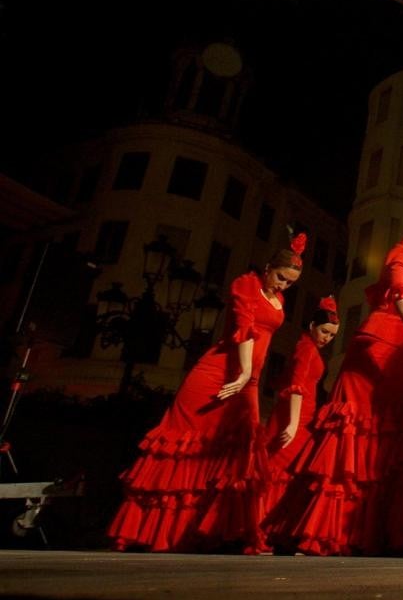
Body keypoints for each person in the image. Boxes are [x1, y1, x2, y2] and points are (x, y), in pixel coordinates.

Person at [266, 187, 403, 556]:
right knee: (358, 435)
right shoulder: (400, 255)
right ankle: (332, 529)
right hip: (376, 348)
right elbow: (402, 296)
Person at [109, 233, 305, 553]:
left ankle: (223, 532)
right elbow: (245, 328)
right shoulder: (246, 284)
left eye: (290, 283)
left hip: (247, 381)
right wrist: (242, 372)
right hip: (217, 375)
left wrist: (247, 376)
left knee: (242, 454)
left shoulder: (279, 301)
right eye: (281, 278)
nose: (284, 286)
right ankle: (156, 532)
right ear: (268, 267)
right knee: (184, 449)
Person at [261, 295, 339, 512]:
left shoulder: (309, 347)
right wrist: (293, 424)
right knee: (280, 467)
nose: (327, 338)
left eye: (332, 335)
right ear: (312, 325)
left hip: (301, 416)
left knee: (285, 469)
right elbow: (296, 386)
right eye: (324, 331)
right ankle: (259, 523)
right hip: (295, 417)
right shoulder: (306, 347)